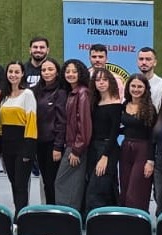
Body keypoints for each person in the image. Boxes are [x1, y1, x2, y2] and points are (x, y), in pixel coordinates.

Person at [0, 62, 37, 212]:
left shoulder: (28, 94)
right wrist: (0, 148)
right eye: (10, 71)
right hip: (8, 148)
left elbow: (31, 123)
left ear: (22, 74)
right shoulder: (4, 96)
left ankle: (20, 215)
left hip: (23, 146)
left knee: (21, 185)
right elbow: (0, 124)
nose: (13, 75)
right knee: (13, 183)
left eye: (16, 72)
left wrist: (29, 150)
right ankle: (18, 211)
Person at [55, 59, 93, 212]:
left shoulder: (82, 93)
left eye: (74, 71)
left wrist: (76, 149)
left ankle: (67, 220)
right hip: (72, 145)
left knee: (64, 183)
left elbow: (84, 124)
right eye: (67, 71)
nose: (70, 74)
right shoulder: (73, 92)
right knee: (72, 184)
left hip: (76, 148)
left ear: (81, 73)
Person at [84, 68, 124, 210]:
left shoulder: (116, 104)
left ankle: (96, 222)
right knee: (107, 186)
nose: (101, 83)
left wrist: (105, 156)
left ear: (111, 82)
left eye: (104, 80)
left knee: (96, 190)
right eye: (98, 80)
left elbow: (114, 134)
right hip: (93, 148)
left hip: (108, 149)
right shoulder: (93, 103)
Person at [119, 74, 156, 212]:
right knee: (124, 187)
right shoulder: (124, 106)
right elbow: (124, 127)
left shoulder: (150, 109)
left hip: (143, 150)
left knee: (136, 191)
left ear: (145, 89)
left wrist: (150, 161)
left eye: (140, 86)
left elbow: (152, 136)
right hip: (125, 149)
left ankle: (138, 222)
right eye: (133, 86)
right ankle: (124, 221)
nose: (136, 89)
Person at [31, 59, 65, 205]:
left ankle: (56, 212)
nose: (47, 73)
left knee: (53, 181)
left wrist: (58, 146)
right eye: (44, 70)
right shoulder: (35, 91)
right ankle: (48, 210)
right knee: (45, 180)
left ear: (57, 72)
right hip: (39, 143)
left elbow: (62, 121)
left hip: (53, 144)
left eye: (50, 69)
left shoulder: (61, 92)